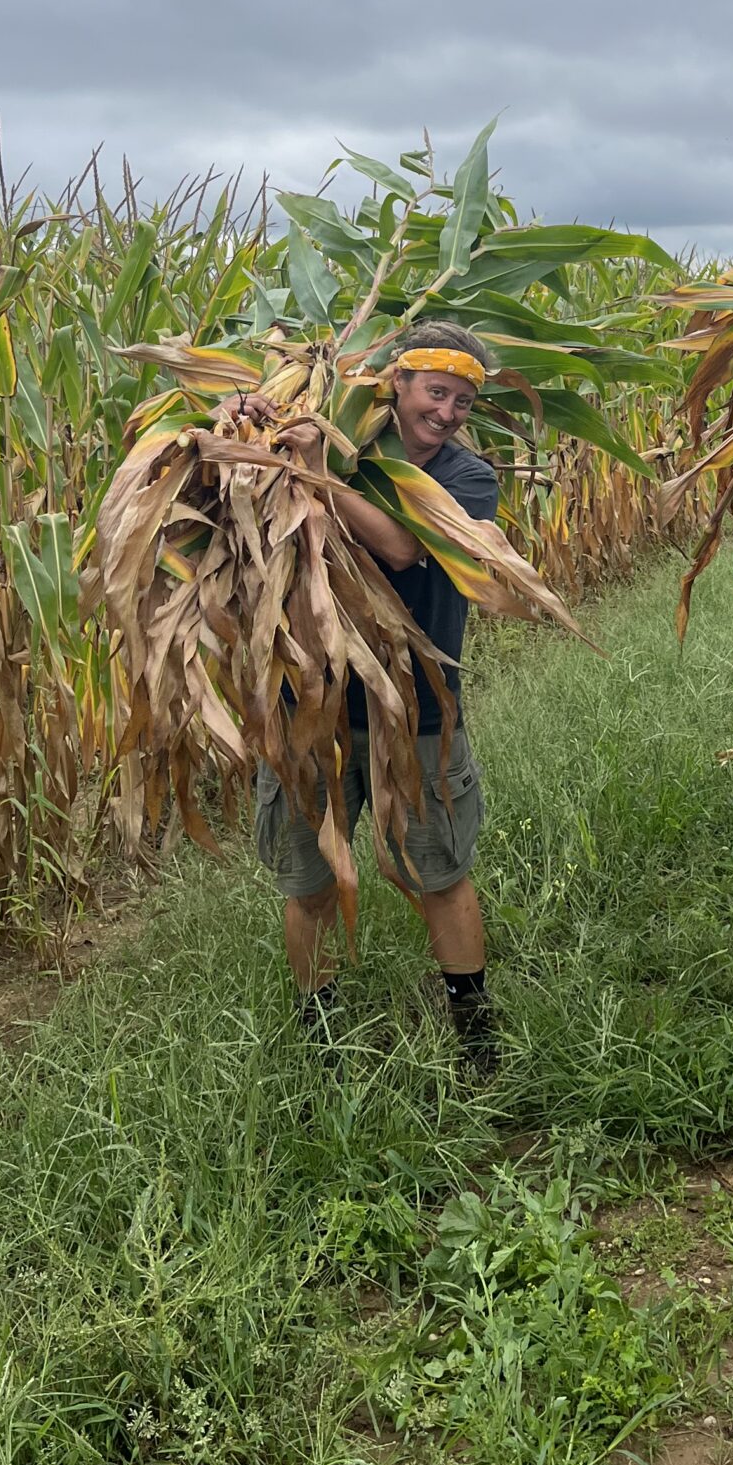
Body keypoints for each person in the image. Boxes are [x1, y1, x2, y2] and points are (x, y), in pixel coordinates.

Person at [254, 321, 500, 1069]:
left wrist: (316, 473)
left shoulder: (466, 478)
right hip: (311, 712)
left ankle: (473, 1031)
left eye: (462, 401)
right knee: (311, 881)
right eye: (437, 392)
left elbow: (399, 547)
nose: (448, 412)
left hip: (417, 714)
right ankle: (319, 1032)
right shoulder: (341, 447)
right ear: (396, 382)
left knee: (439, 874)